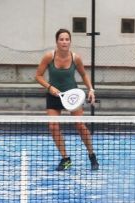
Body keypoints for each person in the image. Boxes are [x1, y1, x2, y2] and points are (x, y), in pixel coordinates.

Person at [35, 28, 99, 171]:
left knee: (80, 126)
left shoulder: (76, 58)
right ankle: (65, 159)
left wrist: (91, 89)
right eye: (61, 39)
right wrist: (49, 87)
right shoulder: (49, 57)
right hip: (54, 96)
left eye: (67, 39)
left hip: (72, 97)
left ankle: (92, 155)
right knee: (53, 127)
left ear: (70, 41)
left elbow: (84, 75)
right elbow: (38, 76)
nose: (64, 42)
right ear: (57, 42)